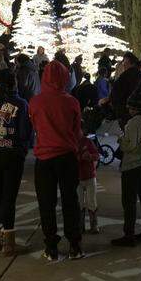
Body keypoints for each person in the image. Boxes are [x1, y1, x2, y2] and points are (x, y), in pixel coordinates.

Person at [29, 60, 84, 261]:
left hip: (44, 158)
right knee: (70, 200)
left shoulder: (35, 102)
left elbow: (35, 126)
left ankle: (51, 247)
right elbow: (77, 130)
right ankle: (75, 245)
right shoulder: (71, 102)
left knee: (46, 203)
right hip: (67, 157)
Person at [0, 69, 32, 255]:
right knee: (8, 197)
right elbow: (24, 133)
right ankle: (8, 242)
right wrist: (23, 148)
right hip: (11, 154)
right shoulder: (20, 103)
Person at [110, 95, 141, 247]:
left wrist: (121, 140)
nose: (128, 109)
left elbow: (129, 146)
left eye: (130, 107)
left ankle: (128, 235)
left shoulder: (133, 123)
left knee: (129, 201)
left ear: (135, 108)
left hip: (132, 166)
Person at [78, 132, 100, 234]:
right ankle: (80, 226)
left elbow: (97, 155)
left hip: (90, 176)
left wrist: (90, 156)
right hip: (77, 178)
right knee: (79, 203)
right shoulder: (71, 142)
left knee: (92, 202)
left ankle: (94, 225)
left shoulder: (88, 141)